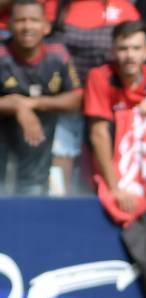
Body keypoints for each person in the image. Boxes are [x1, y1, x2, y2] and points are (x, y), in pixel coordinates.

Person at [48, 0, 140, 195]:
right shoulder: (59, 6)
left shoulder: (125, 8)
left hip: (107, 98)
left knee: (103, 152)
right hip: (66, 99)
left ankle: (105, 198)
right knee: (61, 153)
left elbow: (134, 49)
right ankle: (57, 205)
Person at [84, 19, 146, 214]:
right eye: (123, 49)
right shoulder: (99, 77)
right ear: (113, 51)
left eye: (136, 48)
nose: (130, 56)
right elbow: (99, 134)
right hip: (110, 161)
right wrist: (115, 188)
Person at [0, 0, 81, 195]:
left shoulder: (58, 55)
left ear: (46, 26)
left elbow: (77, 97)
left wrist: (31, 104)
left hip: (38, 138)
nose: (27, 26)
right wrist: (17, 107)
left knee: (31, 193)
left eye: (34, 20)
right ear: (9, 25)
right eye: (20, 20)